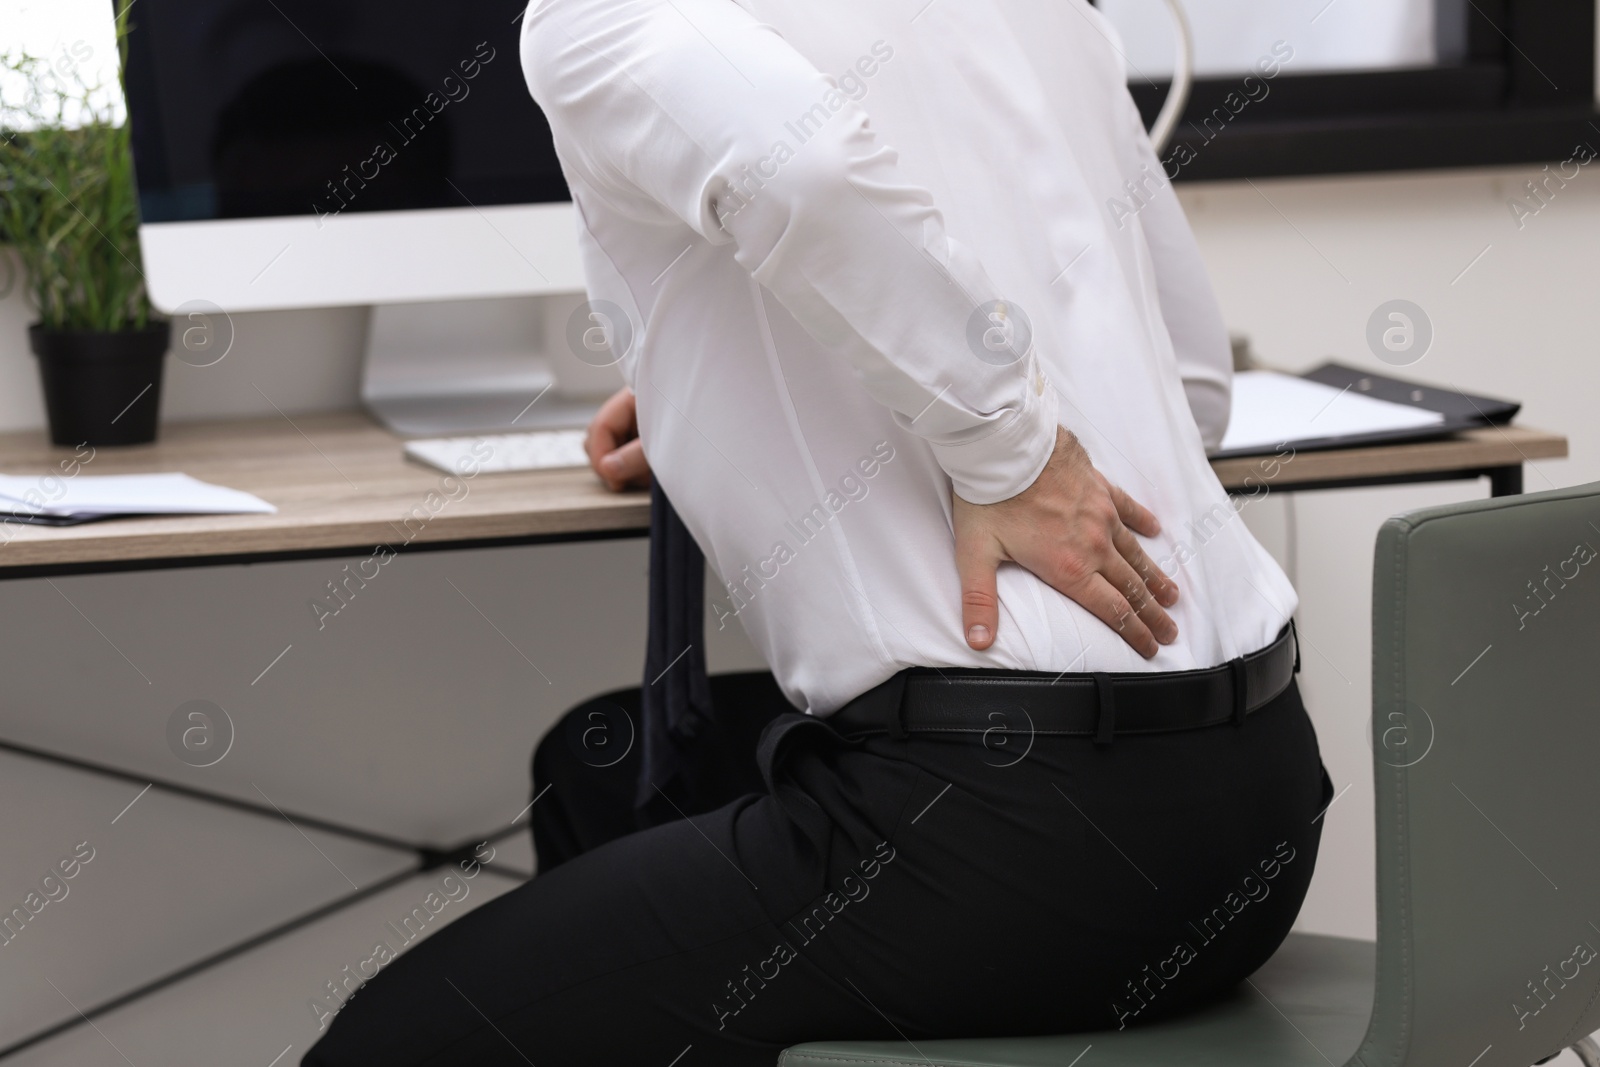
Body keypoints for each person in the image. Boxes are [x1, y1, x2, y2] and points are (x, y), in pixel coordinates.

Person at [304, 0, 1330, 1062]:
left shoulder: (598, 15)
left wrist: (1009, 451)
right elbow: (1196, 386)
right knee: (601, 769)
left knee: (381, 1047)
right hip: (1259, 812)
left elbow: (805, 173)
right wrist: (719, 389)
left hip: (1017, 838)